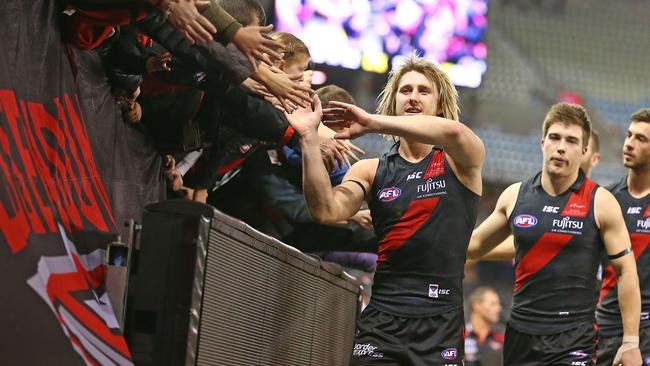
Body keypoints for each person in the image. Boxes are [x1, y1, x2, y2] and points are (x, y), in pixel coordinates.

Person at [286, 54, 485, 365]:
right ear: (394, 103)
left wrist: (371, 122)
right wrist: (309, 138)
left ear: (441, 107)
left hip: (440, 324)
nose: (413, 97)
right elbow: (325, 210)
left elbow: (455, 133)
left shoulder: (460, 162)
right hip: (382, 323)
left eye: (423, 91)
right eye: (405, 91)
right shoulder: (369, 170)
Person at [467, 103, 642, 365]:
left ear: (584, 151)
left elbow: (626, 271)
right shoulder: (515, 196)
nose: (561, 147)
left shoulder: (601, 202)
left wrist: (630, 341)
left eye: (572, 141)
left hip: (573, 339)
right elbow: (475, 245)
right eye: (555, 137)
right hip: (520, 335)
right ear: (542, 142)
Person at [597, 109, 650, 366]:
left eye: (641, 139)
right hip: (605, 324)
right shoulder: (606, 199)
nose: (629, 143)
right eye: (629, 135)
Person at [465, 287, 504, 366]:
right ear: (477, 305)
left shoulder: (501, 339)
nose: (499, 308)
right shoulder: (460, 337)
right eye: (493, 304)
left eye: (498, 304)